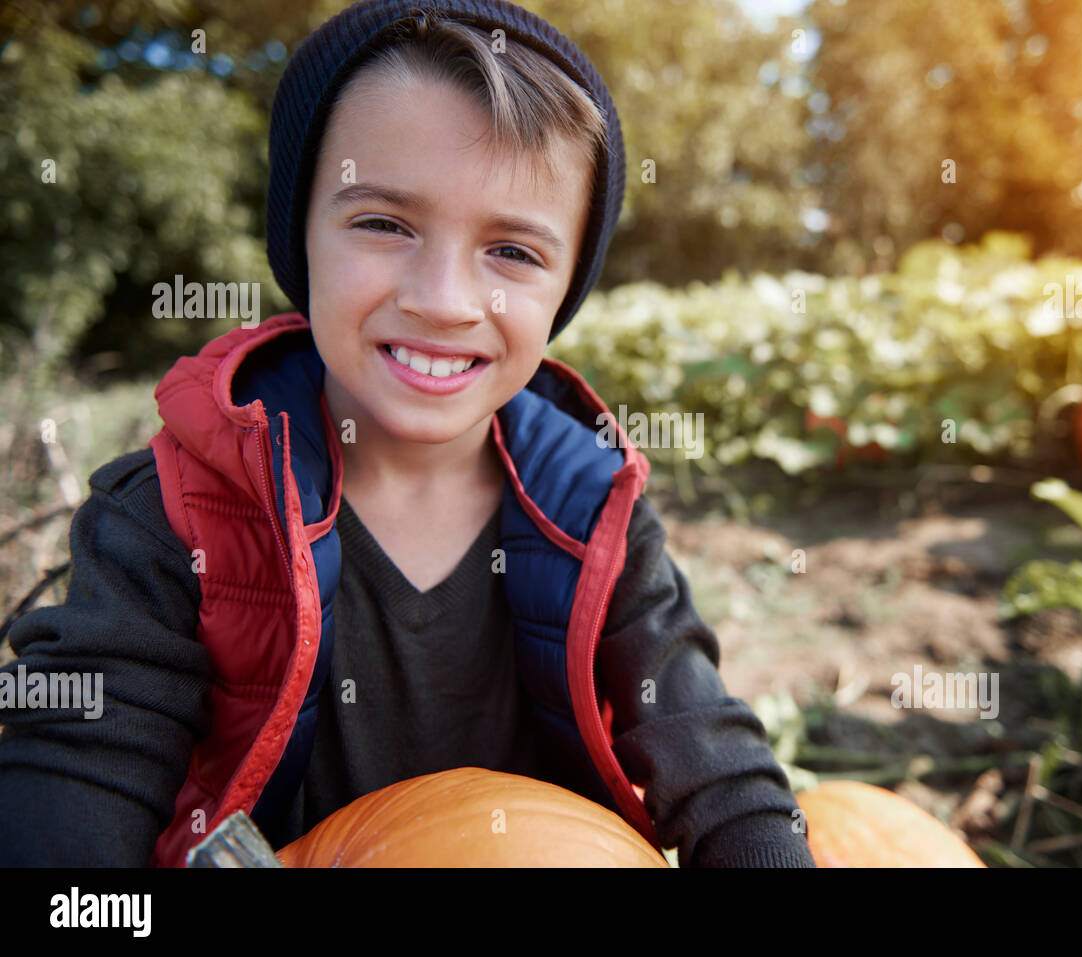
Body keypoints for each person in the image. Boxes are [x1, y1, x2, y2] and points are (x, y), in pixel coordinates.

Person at [0, 0, 816, 868]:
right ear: (300, 238)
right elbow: (80, 761)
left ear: (567, 286)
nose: (442, 299)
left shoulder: (593, 510)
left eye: (513, 252)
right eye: (385, 224)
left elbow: (711, 750)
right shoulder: (175, 510)